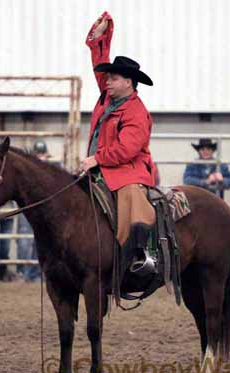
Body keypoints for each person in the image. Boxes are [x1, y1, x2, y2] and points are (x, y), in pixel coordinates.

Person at [79, 12, 158, 274]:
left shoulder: (136, 111)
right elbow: (98, 59)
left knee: (130, 196)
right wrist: (101, 33)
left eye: (113, 78)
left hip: (129, 170)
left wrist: (97, 159)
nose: (107, 81)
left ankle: (139, 255)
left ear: (128, 82)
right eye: (108, 78)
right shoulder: (109, 95)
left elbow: (127, 149)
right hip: (99, 168)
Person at [15, 140, 50, 282]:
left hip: (42, 210)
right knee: (25, 240)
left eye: (42, 154)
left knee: (39, 242)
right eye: (38, 154)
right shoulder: (29, 170)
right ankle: (24, 272)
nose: (40, 157)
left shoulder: (49, 170)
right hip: (28, 208)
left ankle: (33, 273)